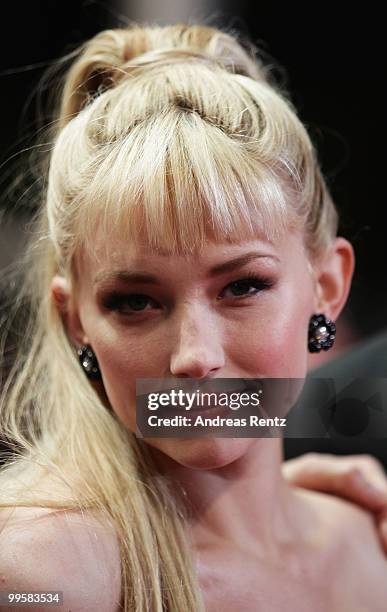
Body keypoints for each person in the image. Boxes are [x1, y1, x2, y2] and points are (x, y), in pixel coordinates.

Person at [1, 22, 387, 611]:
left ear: (327, 287)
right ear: (75, 319)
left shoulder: (368, 541)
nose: (194, 357)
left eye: (242, 287)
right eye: (135, 301)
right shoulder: (43, 577)